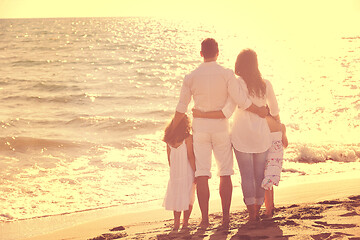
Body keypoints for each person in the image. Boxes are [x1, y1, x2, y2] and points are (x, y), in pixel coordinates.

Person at [172, 39, 268, 228]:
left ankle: (205, 220)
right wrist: (259, 111)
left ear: (201, 54)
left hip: (200, 129)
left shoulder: (190, 77)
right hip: (221, 129)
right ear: (218, 53)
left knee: (202, 174)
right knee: (225, 173)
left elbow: (181, 109)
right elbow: (239, 100)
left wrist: (172, 133)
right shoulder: (226, 74)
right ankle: (225, 219)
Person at [192, 49, 282, 223]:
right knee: (259, 177)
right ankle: (258, 207)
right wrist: (279, 128)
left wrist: (204, 115)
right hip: (261, 137)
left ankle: (252, 213)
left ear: (239, 65)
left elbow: (229, 108)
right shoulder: (266, 84)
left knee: (247, 177)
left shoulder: (237, 83)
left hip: (241, 137)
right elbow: (275, 111)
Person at [162, 114, 196, 231]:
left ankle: (176, 223)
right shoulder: (188, 138)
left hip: (175, 173)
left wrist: (174, 172)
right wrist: (195, 172)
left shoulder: (169, 139)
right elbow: (191, 157)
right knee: (188, 197)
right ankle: (185, 223)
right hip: (187, 171)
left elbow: (169, 159)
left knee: (177, 197)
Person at [262, 115, 288, 218]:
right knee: (270, 181)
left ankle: (268, 210)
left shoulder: (262, 123)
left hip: (267, 155)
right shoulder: (281, 125)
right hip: (277, 158)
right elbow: (285, 144)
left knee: (266, 183)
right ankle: (271, 206)